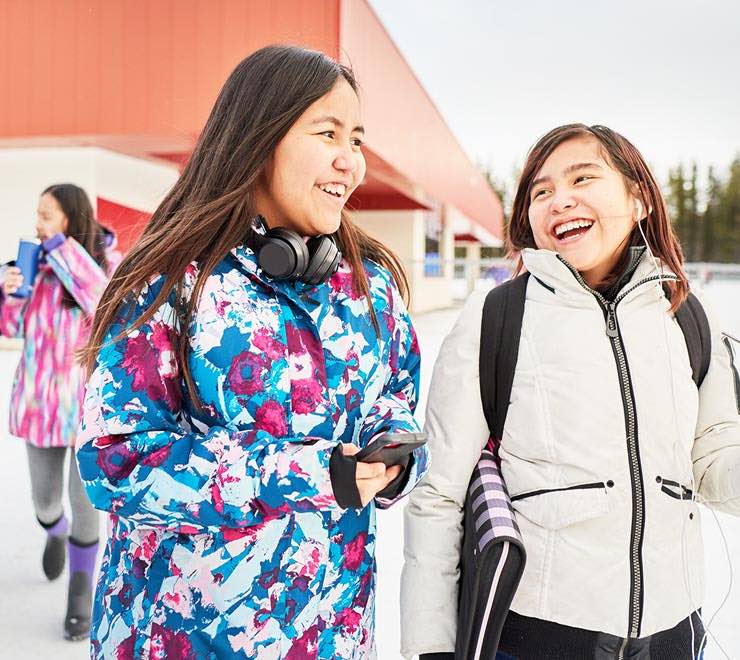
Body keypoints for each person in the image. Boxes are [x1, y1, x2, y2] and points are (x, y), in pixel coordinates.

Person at [77, 45, 429, 659]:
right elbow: (116, 464)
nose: (350, 161)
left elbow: (394, 396)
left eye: (357, 140)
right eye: (328, 133)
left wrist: (392, 451)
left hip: (332, 635)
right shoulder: (168, 283)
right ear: (260, 139)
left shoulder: (367, 286)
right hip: (185, 637)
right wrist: (308, 473)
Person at [401, 124, 740, 659]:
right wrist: (433, 647)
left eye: (583, 178)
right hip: (539, 638)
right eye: (541, 191)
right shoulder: (495, 318)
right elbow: (439, 493)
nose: (560, 200)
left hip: (673, 634)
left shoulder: (687, 316)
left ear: (639, 199)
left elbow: (714, 461)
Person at [0, 183, 120, 640]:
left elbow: (103, 304)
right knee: (46, 501)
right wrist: (11, 293)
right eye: (38, 214)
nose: (38, 223)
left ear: (71, 218)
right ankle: (54, 531)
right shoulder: (31, 265)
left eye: (46, 215)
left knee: (86, 506)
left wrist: (61, 252)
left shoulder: (103, 264)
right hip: (41, 406)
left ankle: (80, 594)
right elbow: (11, 328)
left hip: (88, 410)